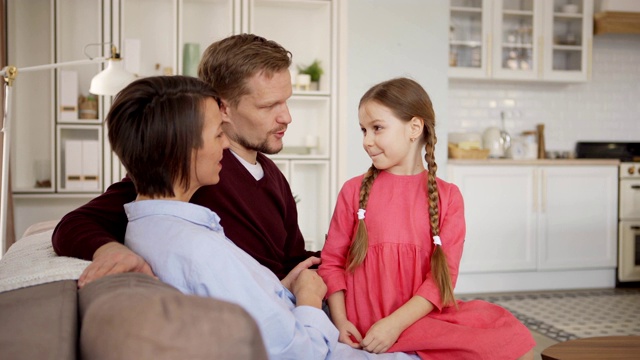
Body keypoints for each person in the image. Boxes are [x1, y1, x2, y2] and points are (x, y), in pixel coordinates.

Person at [106, 75, 419, 360]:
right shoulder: (200, 251)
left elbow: (241, 300)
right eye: (217, 135)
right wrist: (309, 298)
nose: (226, 143)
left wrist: (282, 287)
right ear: (183, 152)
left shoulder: (150, 227)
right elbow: (299, 353)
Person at [52, 34, 318, 287]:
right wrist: (111, 251)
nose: (287, 117)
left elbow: (292, 259)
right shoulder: (190, 168)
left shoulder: (270, 173)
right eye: (269, 106)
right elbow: (74, 224)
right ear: (223, 108)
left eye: (286, 101)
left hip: (285, 302)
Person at [318, 77, 536, 360]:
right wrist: (341, 321)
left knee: (514, 340)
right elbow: (332, 263)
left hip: (416, 322)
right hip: (365, 324)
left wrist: (395, 325)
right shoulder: (353, 191)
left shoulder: (449, 197)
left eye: (377, 128)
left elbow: (442, 279)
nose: (367, 141)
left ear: (414, 128)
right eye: (363, 130)